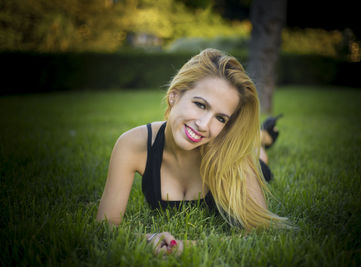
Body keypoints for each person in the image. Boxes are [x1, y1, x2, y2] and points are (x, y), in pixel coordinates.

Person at [96, 48, 286, 256]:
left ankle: (262, 139)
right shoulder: (133, 144)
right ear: (174, 95)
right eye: (200, 105)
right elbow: (106, 227)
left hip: (249, 162)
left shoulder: (233, 155)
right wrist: (149, 239)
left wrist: (188, 246)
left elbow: (260, 233)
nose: (204, 125)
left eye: (221, 118)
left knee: (259, 158)